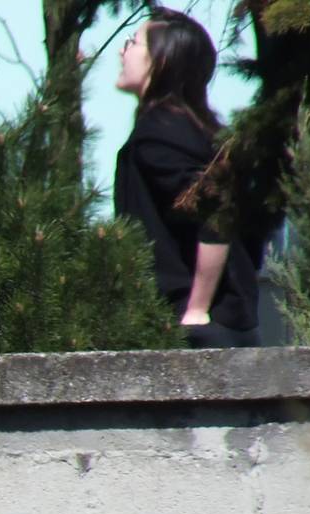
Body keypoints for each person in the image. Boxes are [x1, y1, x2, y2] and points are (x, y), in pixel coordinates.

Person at [113, 8, 264, 348]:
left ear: (161, 61)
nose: (123, 50)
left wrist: (196, 307)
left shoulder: (158, 134)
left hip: (195, 332)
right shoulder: (206, 133)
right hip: (232, 325)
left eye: (134, 42)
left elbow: (216, 207)